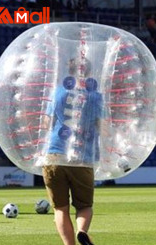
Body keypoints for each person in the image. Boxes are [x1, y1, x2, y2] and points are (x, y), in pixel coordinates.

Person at [42, 58, 102, 245]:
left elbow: (46, 124)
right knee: (84, 206)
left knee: (60, 209)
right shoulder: (95, 96)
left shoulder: (57, 91)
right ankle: (81, 231)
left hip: (54, 156)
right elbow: (102, 127)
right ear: (90, 72)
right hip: (82, 158)